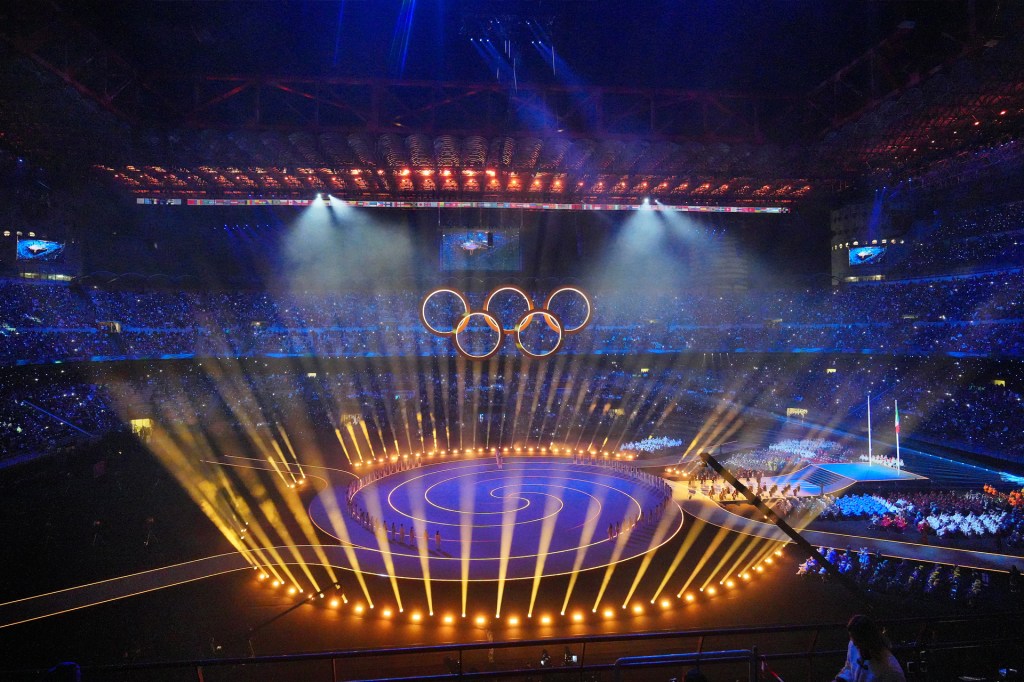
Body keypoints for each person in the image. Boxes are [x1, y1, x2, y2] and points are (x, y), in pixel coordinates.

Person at [834, 614, 906, 682]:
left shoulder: (890, 670)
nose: (854, 642)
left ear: (868, 639)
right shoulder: (853, 645)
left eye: (858, 640)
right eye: (852, 637)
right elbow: (849, 668)